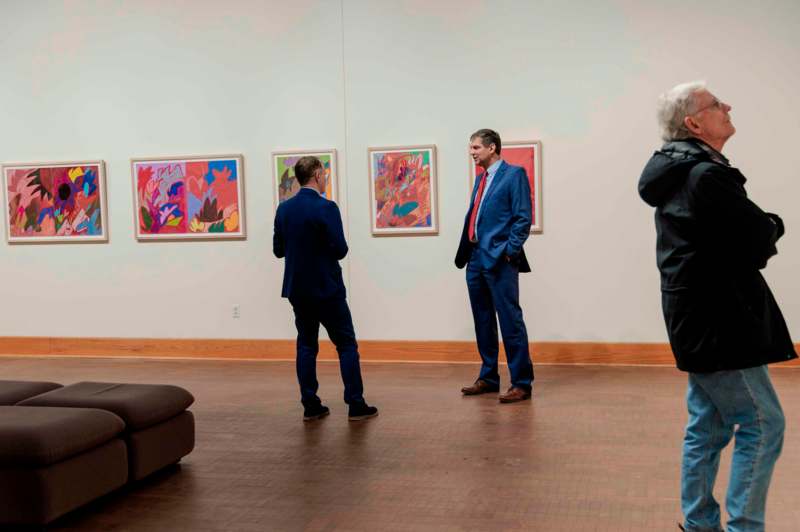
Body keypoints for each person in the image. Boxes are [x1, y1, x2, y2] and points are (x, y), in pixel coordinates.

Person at [638, 81, 796, 531]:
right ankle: (742, 527)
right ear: (694, 123)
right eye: (715, 104)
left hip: (697, 317)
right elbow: (755, 237)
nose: (727, 106)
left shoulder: (678, 172)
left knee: (707, 426)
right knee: (764, 425)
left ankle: (697, 524)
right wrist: (772, 224)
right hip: (721, 320)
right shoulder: (706, 175)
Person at [273, 156, 378, 422]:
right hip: (327, 287)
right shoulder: (326, 207)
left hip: (298, 288)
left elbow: (278, 250)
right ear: (318, 174)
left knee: (306, 345)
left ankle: (310, 404)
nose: (326, 178)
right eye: (325, 174)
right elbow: (341, 249)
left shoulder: (284, 209)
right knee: (345, 344)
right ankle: (355, 403)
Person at [455, 128, 535, 403]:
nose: (472, 152)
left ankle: (521, 382)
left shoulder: (514, 175)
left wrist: (509, 252)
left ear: (492, 148)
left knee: (510, 321)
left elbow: (523, 218)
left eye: (476, 147)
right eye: (471, 147)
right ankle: (489, 377)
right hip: (475, 259)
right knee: (483, 320)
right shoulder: (481, 180)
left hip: (500, 259)